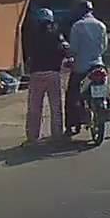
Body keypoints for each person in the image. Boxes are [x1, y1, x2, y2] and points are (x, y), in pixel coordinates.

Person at [66, 0, 110, 137]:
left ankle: (71, 125)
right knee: (106, 93)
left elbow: (74, 49)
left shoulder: (77, 26)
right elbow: (104, 47)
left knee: (72, 94)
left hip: (81, 67)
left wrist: (70, 57)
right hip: (98, 65)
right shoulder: (101, 25)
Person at [23, 9, 70, 144]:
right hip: (53, 73)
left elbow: (26, 54)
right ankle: (57, 134)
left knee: (34, 108)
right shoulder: (56, 34)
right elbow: (65, 49)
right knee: (56, 107)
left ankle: (33, 136)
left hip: (36, 73)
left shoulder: (32, 36)